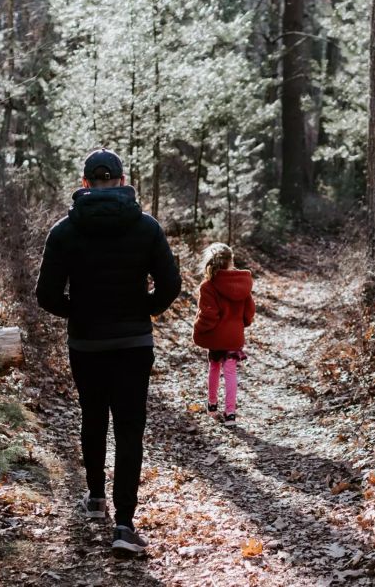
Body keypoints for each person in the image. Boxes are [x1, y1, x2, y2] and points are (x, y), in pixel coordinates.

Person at [35, 148, 181, 554]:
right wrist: (142, 311)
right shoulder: (146, 227)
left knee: (93, 416)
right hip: (134, 343)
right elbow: (170, 285)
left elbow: (45, 294)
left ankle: (95, 498)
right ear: (120, 181)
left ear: (85, 183)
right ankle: (124, 524)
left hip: (87, 342)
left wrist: (78, 314)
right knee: (130, 428)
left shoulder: (64, 230)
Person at [192, 243, 255, 427]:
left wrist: (198, 328)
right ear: (231, 261)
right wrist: (240, 324)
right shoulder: (242, 283)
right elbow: (249, 312)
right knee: (230, 372)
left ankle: (212, 406)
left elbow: (208, 316)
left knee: (214, 367)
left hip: (216, 337)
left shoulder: (208, 285)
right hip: (234, 336)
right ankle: (230, 414)